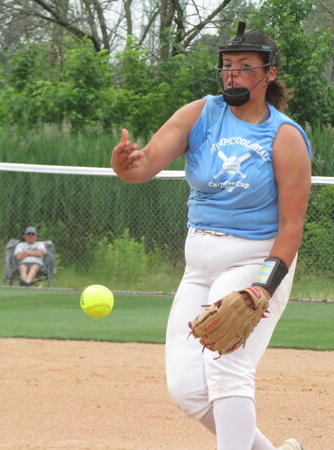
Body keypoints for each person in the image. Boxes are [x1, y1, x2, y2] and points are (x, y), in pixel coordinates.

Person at [111, 21, 311, 450]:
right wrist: (124, 164)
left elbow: (292, 226)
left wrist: (263, 287)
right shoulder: (201, 113)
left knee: (227, 368)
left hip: (252, 262)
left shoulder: (284, 135)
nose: (233, 74)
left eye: (245, 66)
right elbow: (142, 167)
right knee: (187, 389)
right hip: (199, 263)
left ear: (269, 73)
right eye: (227, 66)